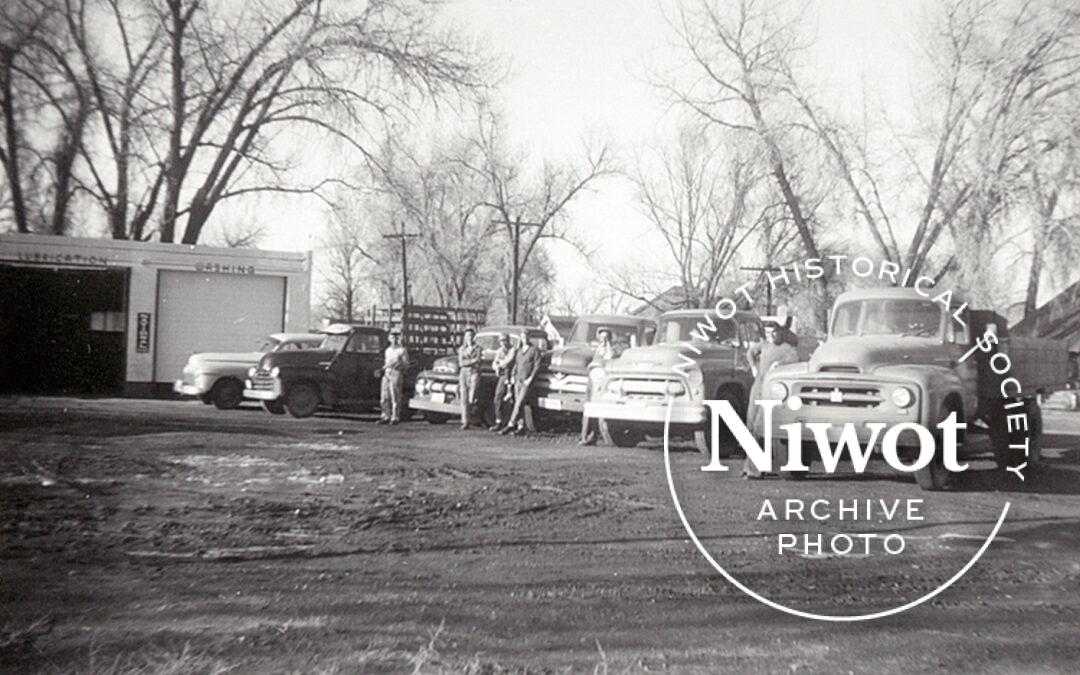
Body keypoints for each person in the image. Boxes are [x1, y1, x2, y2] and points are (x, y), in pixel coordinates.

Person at [743, 319, 799, 477]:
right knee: (751, 424)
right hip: (758, 385)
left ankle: (755, 468)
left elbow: (795, 359)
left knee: (760, 426)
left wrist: (780, 364)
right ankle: (750, 466)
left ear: (780, 332)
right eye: (768, 333)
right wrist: (754, 367)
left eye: (774, 332)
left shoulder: (787, 348)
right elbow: (750, 353)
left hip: (771, 390)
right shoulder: (764, 345)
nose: (771, 336)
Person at [500, 329, 544, 436]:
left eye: (526, 337)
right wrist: (512, 376)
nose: (524, 339)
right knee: (518, 403)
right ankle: (520, 427)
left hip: (526, 381)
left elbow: (537, 366)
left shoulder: (534, 350)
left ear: (529, 338)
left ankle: (510, 424)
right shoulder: (519, 350)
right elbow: (516, 364)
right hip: (518, 380)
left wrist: (531, 378)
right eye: (522, 337)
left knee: (519, 402)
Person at [580, 327, 616, 446]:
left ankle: (597, 436)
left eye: (606, 337)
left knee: (599, 411)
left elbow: (610, 357)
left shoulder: (610, 350)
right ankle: (585, 436)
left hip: (601, 382)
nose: (603, 339)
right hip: (592, 380)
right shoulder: (597, 348)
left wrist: (608, 345)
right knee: (588, 409)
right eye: (601, 337)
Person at [379, 331, 409, 425]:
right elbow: (386, 362)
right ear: (389, 339)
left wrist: (400, 365)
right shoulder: (387, 350)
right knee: (384, 396)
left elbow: (406, 363)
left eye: (396, 338)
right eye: (392, 338)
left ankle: (395, 417)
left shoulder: (402, 350)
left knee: (395, 396)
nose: (394, 340)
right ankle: (385, 416)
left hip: (396, 372)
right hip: (387, 372)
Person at [490, 332, 517, 432]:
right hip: (503, 376)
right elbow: (494, 362)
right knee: (498, 397)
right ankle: (499, 420)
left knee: (512, 400)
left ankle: (512, 422)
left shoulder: (513, 350)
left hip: (512, 376)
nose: (503, 343)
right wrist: (496, 366)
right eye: (501, 341)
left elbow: (508, 361)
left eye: (505, 340)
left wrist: (499, 365)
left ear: (509, 340)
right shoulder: (499, 351)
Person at [457, 328, 483, 429]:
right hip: (463, 373)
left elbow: (479, 360)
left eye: (471, 335)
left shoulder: (478, 348)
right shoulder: (462, 349)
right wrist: (473, 360)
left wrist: (469, 361)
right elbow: (461, 363)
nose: (469, 338)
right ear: (465, 337)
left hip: (474, 372)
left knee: (472, 396)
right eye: (467, 336)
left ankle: (474, 415)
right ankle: (465, 421)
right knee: (464, 398)